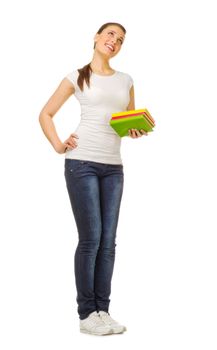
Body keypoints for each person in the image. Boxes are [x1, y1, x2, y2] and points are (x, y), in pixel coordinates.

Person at [39, 22, 148, 336]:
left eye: (121, 39)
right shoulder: (76, 77)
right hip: (81, 163)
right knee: (91, 240)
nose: (115, 41)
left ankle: (103, 310)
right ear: (97, 38)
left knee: (108, 243)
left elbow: (125, 123)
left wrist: (135, 130)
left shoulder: (126, 81)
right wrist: (59, 145)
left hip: (113, 167)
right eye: (110, 34)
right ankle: (87, 313)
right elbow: (45, 114)